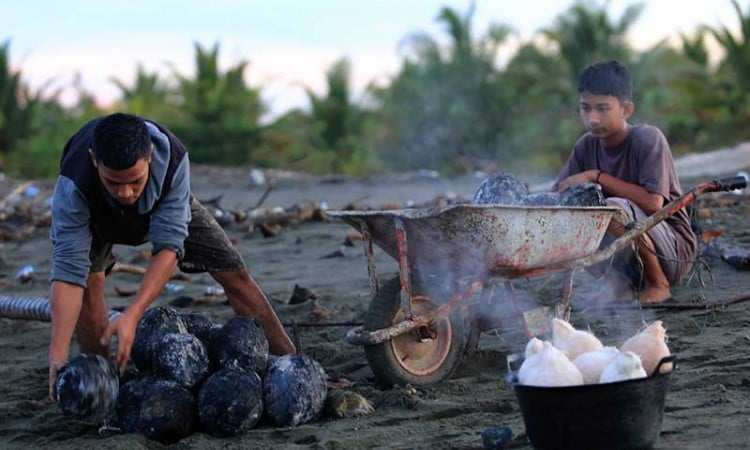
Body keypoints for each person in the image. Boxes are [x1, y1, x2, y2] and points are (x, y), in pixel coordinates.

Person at [47, 112, 296, 400]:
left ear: (150, 156)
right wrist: (58, 353)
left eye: (135, 181)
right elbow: (68, 274)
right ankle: (103, 387)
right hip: (96, 216)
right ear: (94, 160)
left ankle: (290, 362)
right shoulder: (73, 184)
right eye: (114, 183)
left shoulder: (173, 159)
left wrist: (133, 314)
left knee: (234, 271)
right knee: (91, 284)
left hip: (164, 206)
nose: (126, 192)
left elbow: (169, 248)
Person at [553, 60, 698, 304]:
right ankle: (616, 285)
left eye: (602, 108)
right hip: (625, 262)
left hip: (671, 252)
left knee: (612, 208)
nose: (593, 119)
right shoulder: (585, 146)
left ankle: (657, 283)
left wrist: (597, 176)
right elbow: (557, 194)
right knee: (567, 214)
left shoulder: (647, 138)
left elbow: (654, 204)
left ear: (626, 109)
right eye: (585, 108)